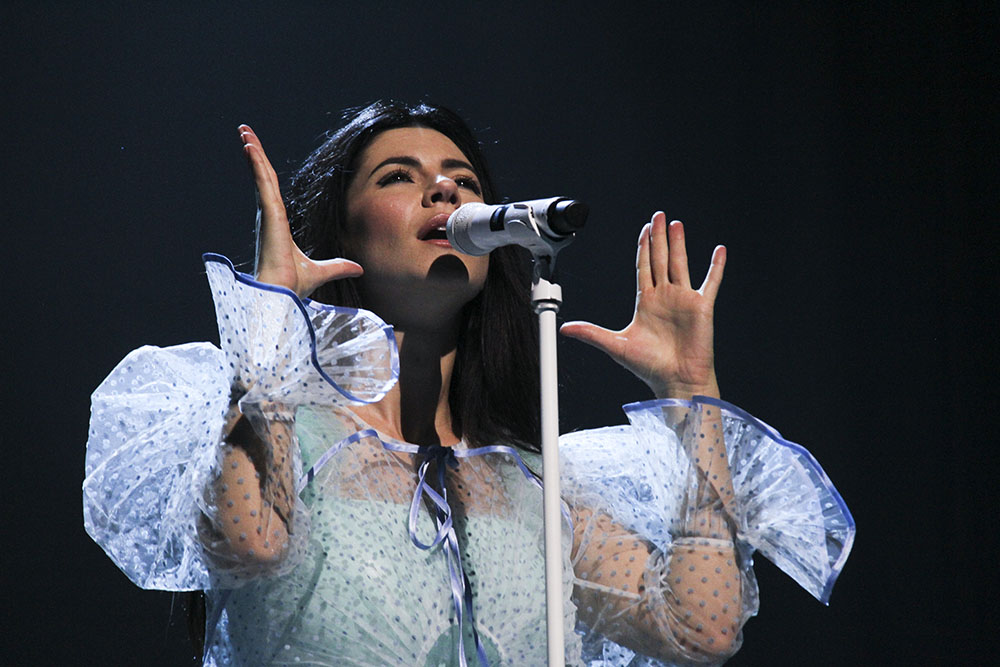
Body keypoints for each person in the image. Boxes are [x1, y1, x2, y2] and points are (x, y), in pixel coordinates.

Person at [83, 101, 854, 666]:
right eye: (400, 177)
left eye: (462, 180)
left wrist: (693, 397)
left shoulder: (535, 482)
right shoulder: (284, 427)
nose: (446, 193)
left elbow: (702, 626)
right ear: (340, 234)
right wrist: (272, 318)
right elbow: (248, 539)